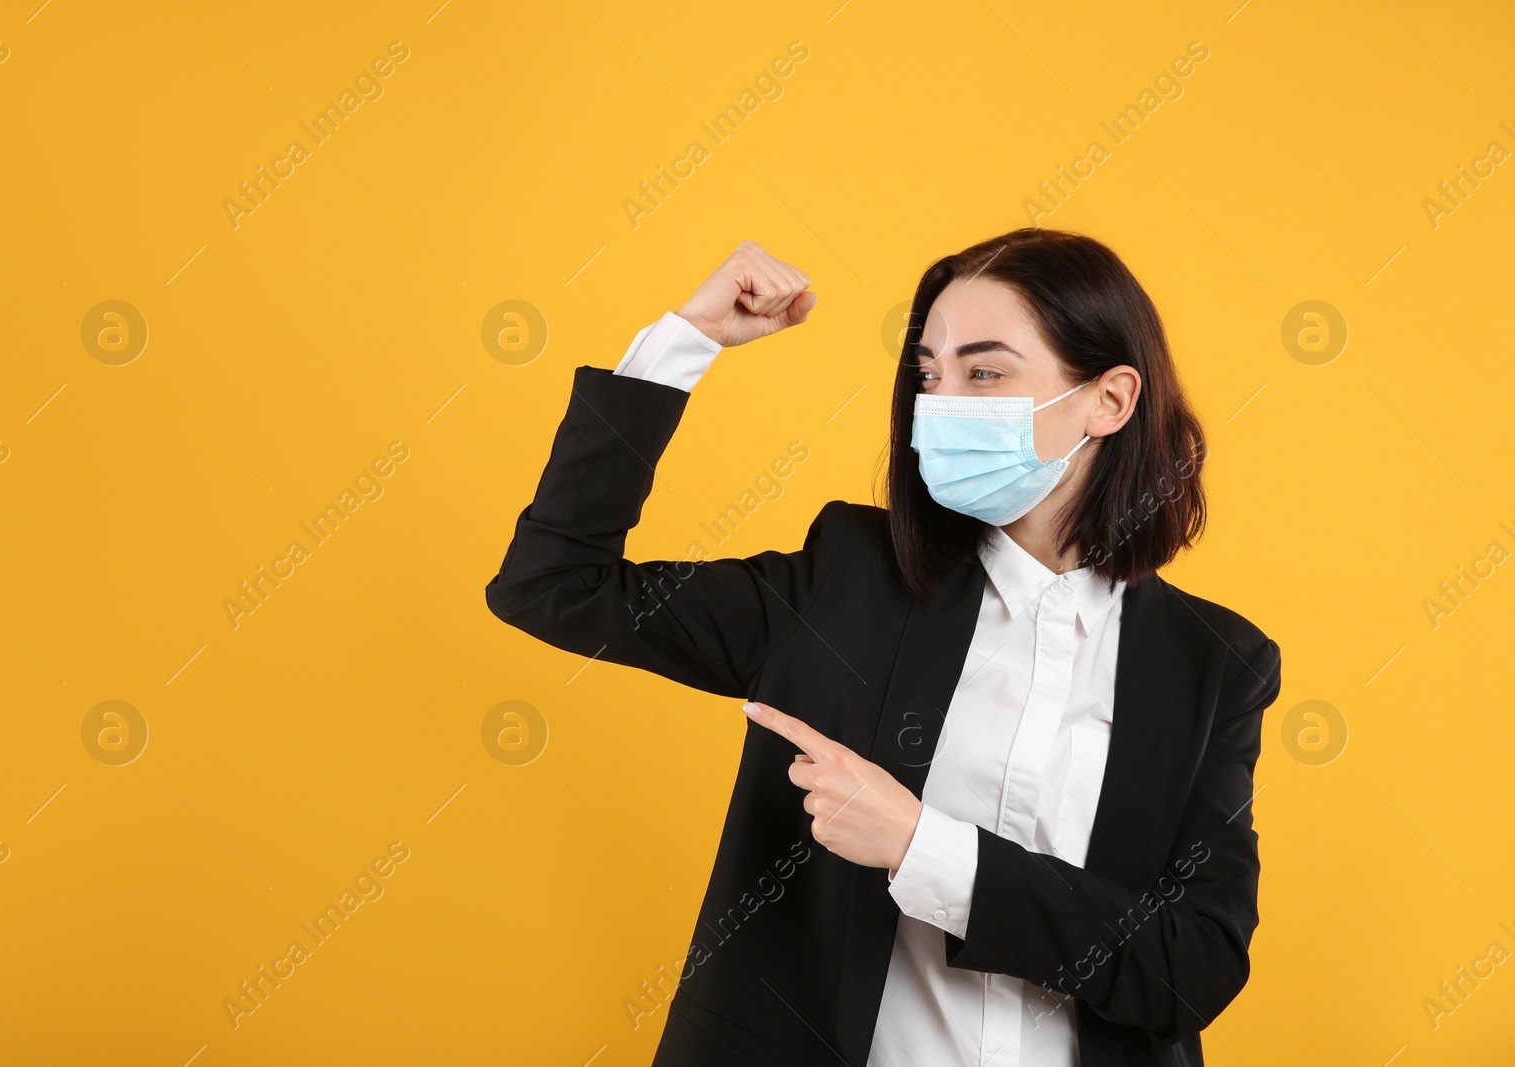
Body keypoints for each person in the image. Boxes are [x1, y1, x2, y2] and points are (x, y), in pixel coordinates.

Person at [485, 230, 1282, 1067]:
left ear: (1109, 400)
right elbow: (556, 583)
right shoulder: (845, 584)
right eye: (929, 375)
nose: (941, 403)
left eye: (985, 372)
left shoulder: (1214, 662)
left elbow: (1192, 968)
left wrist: (922, 845)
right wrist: (684, 342)